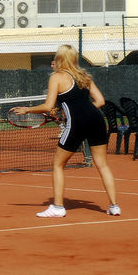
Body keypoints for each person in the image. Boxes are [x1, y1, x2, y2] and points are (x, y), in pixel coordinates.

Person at [11, 44, 119, 218]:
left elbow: (47, 106)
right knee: (102, 164)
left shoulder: (56, 77)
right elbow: (100, 101)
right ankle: (114, 206)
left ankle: (58, 207)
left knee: (58, 164)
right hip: (97, 119)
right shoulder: (84, 76)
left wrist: (27, 110)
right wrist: (77, 113)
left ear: (60, 58)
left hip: (78, 122)